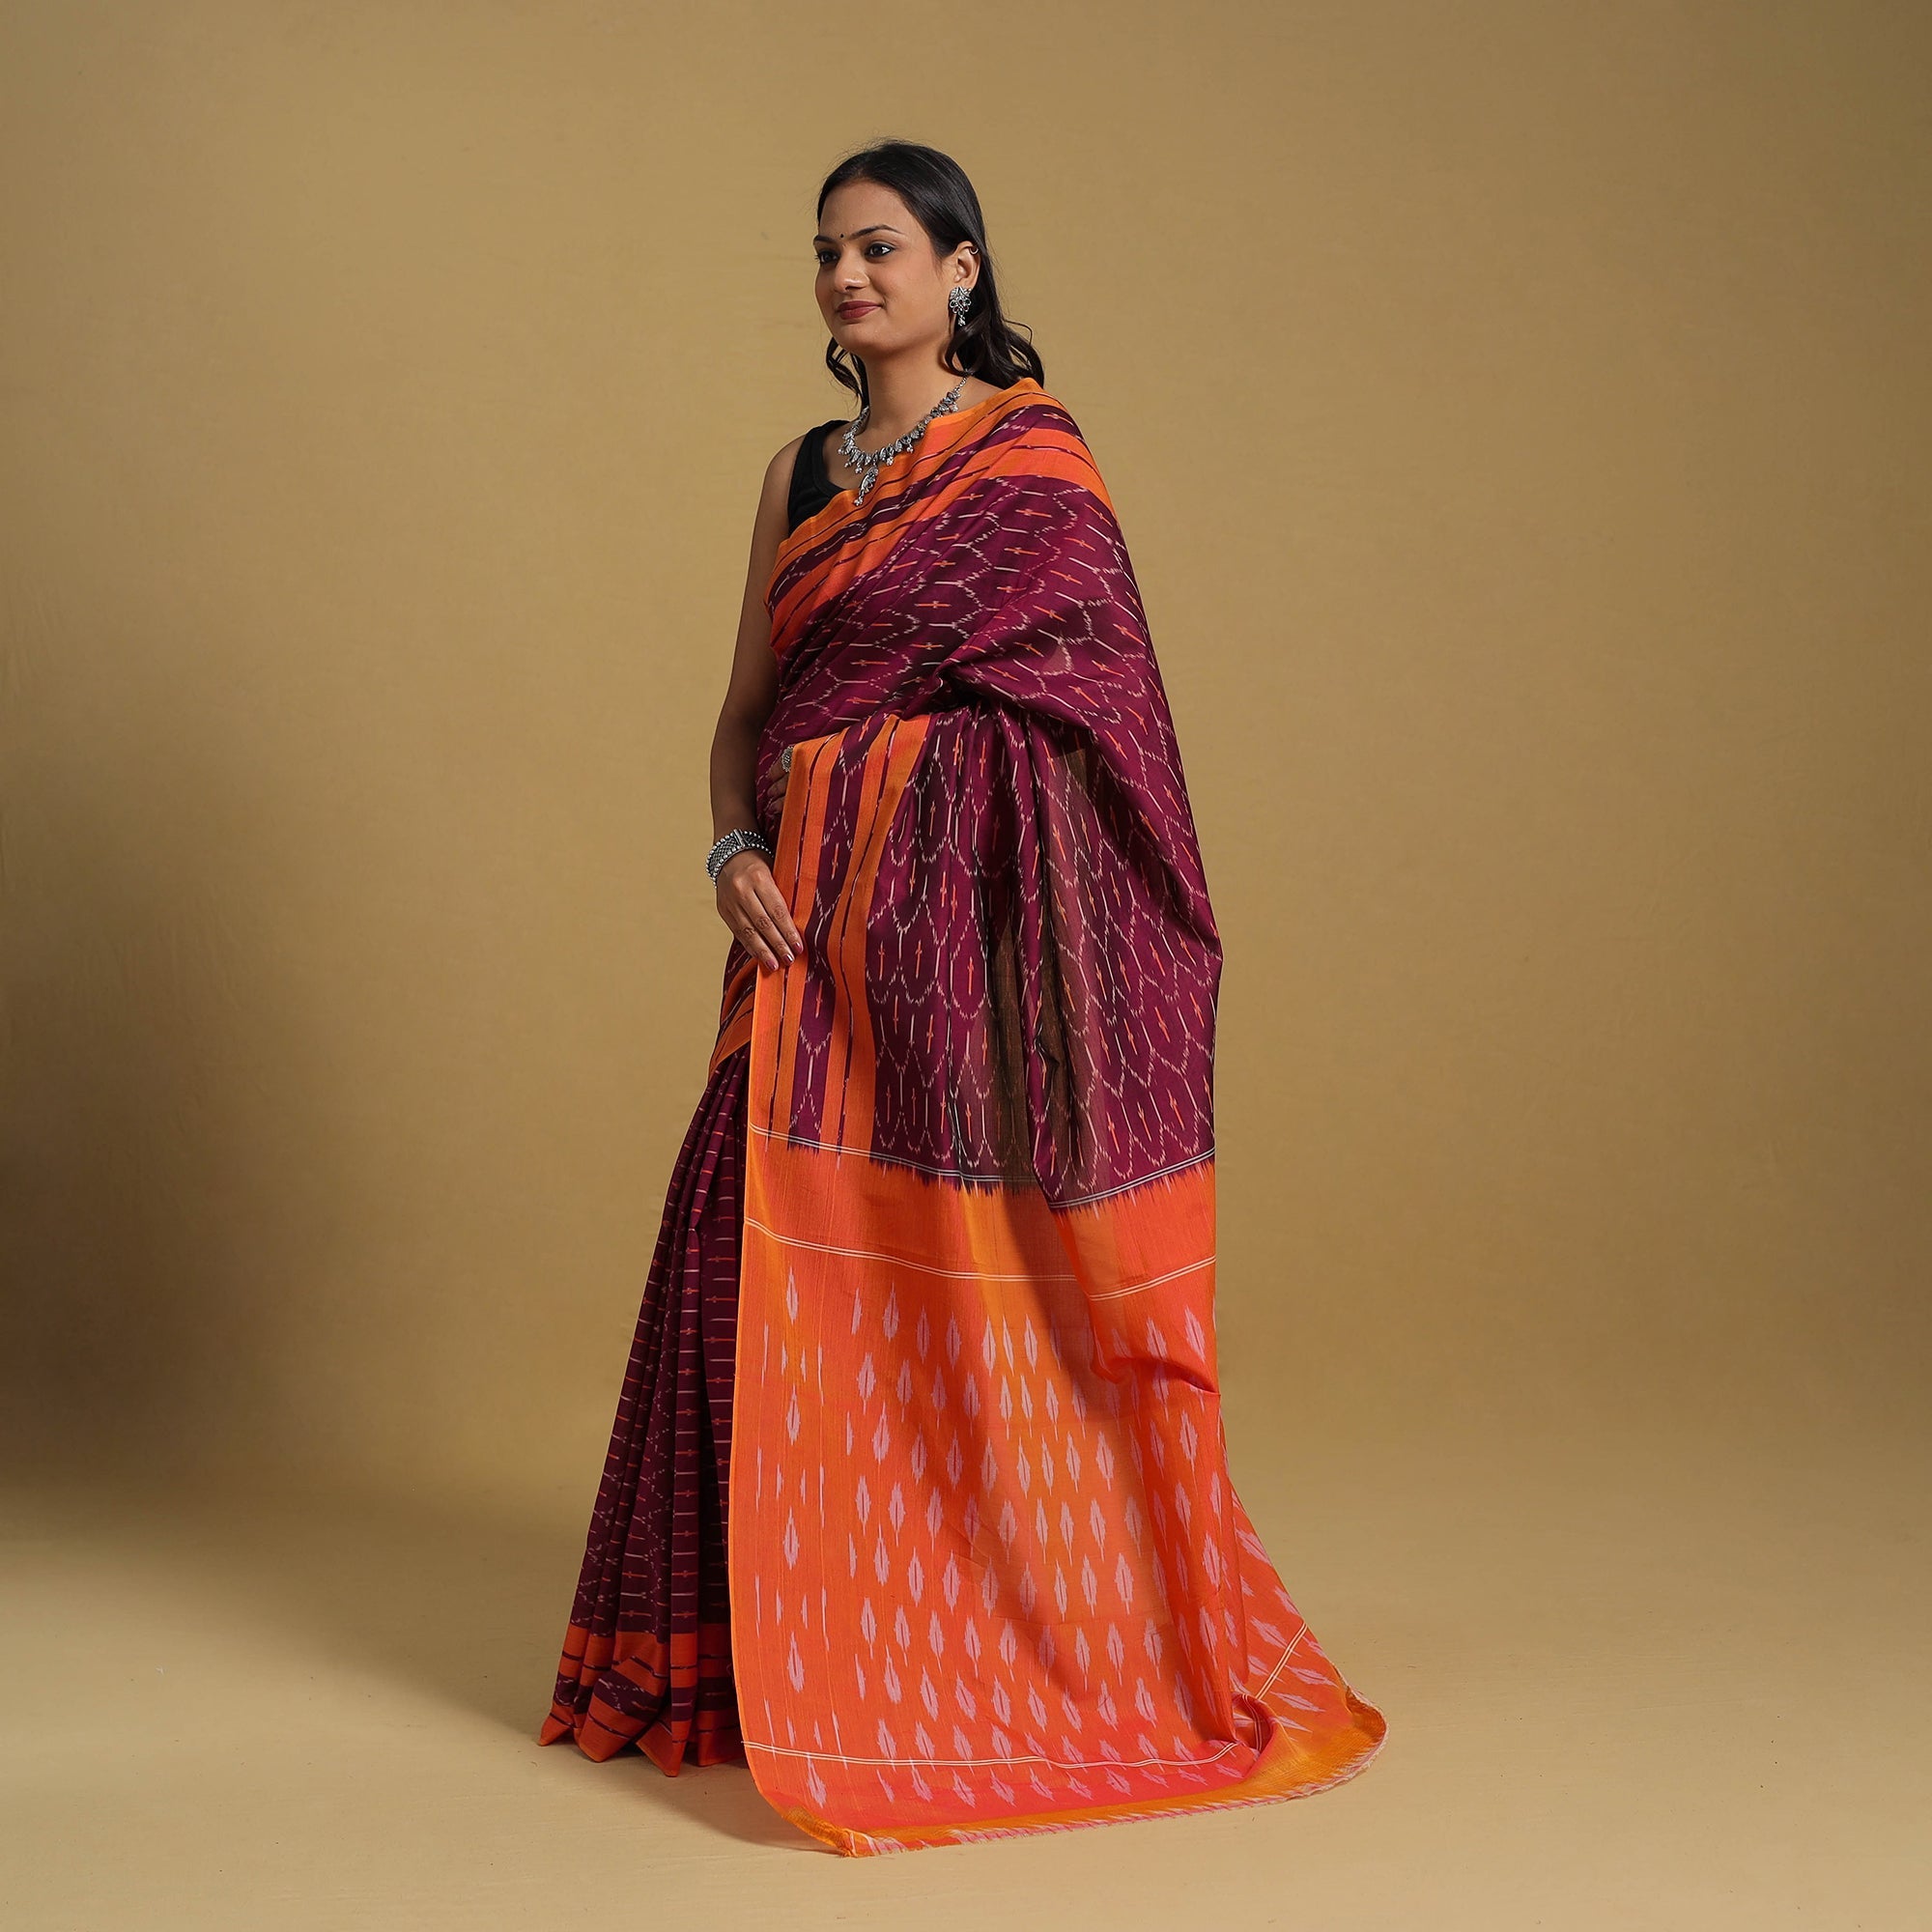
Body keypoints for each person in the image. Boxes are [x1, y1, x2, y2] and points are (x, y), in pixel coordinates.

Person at [537, 139, 1386, 1857]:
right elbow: (745, 711)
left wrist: (873, 797)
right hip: (798, 930)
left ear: (960, 268)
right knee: (737, 1257)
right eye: (828, 254)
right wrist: (732, 841)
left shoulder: (1031, 463)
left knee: (973, 1275)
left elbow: (1101, 722)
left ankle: (1000, 1631)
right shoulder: (798, 470)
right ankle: (740, 1660)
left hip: (949, 934)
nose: (850, 277)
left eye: (881, 248)